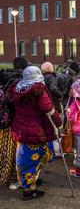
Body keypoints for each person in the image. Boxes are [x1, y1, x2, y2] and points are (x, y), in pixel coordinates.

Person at [6, 66, 62, 200]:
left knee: (25, 159)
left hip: (21, 129)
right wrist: (59, 122)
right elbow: (48, 108)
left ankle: (31, 180)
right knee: (35, 158)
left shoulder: (18, 88)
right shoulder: (38, 90)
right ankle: (29, 190)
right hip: (35, 130)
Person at [0, 57, 27, 190]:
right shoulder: (22, 82)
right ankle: (16, 179)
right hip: (17, 123)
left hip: (5, 122)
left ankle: (5, 176)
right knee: (17, 154)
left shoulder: (6, 79)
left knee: (5, 152)